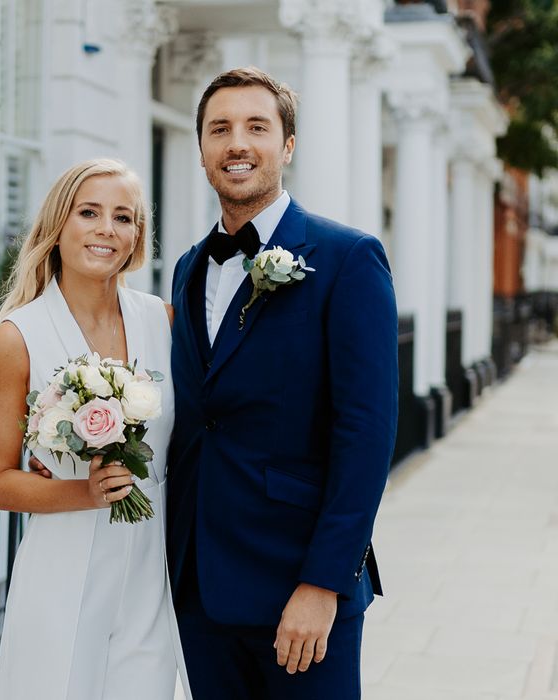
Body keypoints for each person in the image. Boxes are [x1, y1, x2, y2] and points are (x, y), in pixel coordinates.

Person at [166, 67, 398, 698]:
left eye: (256, 127)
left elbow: (367, 433)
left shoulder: (347, 258)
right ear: (204, 151)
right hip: (200, 589)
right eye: (220, 129)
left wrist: (323, 583)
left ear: (287, 145)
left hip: (299, 589)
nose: (236, 143)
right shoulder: (188, 269)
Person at [0, 158, 189, 700]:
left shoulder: (162, 320)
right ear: (58, 225)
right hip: (63, 570)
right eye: (89, 212)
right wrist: (85, 490)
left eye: (124, 217)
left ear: (137, 235)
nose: (106, 230)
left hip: (152, 570)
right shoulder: (15, 337)